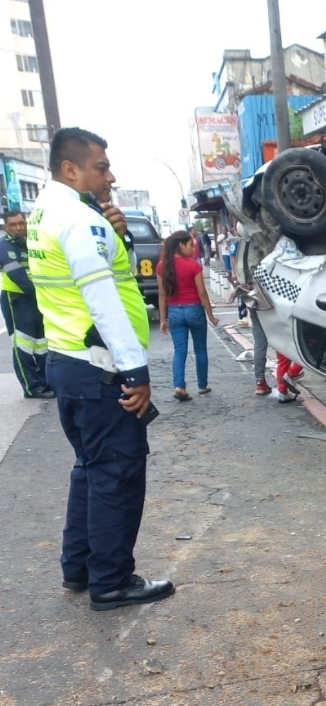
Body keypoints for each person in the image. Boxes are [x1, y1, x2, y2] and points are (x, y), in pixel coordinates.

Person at [27, 127, 173, 611]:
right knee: (117, 472)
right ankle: (112, 581)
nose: (109, 175)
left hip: (68, 361)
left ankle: (81, 568)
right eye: (101, 167)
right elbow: (103, 298)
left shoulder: (47, 210)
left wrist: (120, 235)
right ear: (71, 169)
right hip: (100, 366)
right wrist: (136, 372)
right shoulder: (76, 218)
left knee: (89, 469)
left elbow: (112, 272)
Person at [156, 231, 219, 400]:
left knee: (179, 350)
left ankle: (179, 386)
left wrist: (163, 319)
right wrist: (211, 316)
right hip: (194, 310)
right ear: (181, 246)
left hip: (174, 311)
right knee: (200, 349)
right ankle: (202, 386)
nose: (193, 248)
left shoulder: (162, 266)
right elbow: (202, 293)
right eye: (190, 245)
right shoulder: (193, 265)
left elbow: (162, 294)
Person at [1, 210, 52, 398]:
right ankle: (31, 388)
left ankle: (44, 383)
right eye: (13, 225)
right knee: (22, 345)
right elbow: (18, 276)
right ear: (6, 227)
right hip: (17, 299)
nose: (18, 228)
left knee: (41, 344)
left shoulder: (30, 244)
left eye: (21, 223)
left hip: (36, 298)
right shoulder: (4, 246)